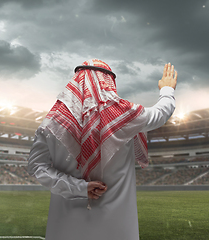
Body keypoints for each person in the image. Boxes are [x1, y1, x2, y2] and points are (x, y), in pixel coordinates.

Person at [27, 59, 177, 240]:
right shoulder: (125, 117)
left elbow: (37, 168)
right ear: (109, 83)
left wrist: (79, 188)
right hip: (118, 229)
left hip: (65, 228)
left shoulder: (51, 124)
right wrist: (167, 89)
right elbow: (161, 113)